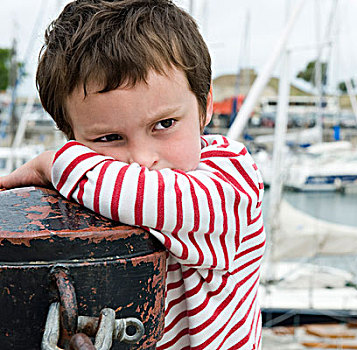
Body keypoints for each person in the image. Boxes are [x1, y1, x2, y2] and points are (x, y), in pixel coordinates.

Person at [0, 0, 266, 349]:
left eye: (164, 124)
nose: (141, 160)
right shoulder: (102, 186)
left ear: (204, 107)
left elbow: (159, 198)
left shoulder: (232, 177)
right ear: (72, 136)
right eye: (109, 138)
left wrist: (54, 164)